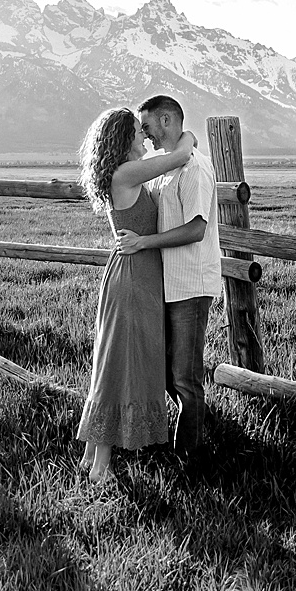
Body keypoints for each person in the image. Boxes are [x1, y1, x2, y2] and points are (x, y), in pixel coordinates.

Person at [75, 107, 199, 482]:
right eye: (137, 131)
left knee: (114, 360)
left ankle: (91, 455)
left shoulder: (125, 176)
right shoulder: (125, 173)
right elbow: (179, 156)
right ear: (121, 139)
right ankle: (101, 466)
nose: (145, 136)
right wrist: (188, 137)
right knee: (119, 363)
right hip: (132, 277)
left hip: (135, 274)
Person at [114, 94, 222, 457]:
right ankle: (179, 434)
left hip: (191, 284)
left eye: (148, 128)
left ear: (165, 120)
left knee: (185, 378)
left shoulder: (195, 169)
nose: (146, 137)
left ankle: (187, 458)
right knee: (165, 372)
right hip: (167, 284)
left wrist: (144, 242)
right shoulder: (168, 166)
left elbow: (196, 229)